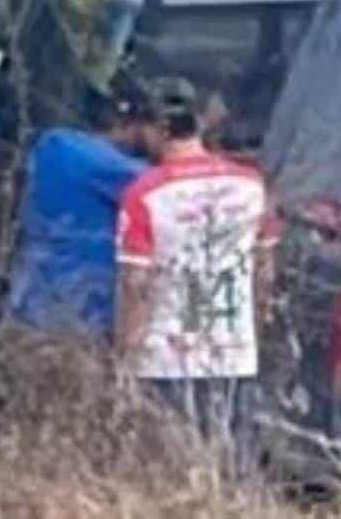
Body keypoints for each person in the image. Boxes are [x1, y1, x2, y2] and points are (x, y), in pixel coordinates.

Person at [114, 77, 278, 477]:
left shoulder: (144, 194)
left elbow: (136, 288)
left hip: (165, 361)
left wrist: (123, 359)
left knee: (168, 477)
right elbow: (265, 274)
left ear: (162, 130)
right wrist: (254, 334)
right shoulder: (252, 185)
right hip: (235, 356)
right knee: (232, 474)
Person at [7, 83, 148, 339]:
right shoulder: (89, 157)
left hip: (32, 304)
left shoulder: (52, 145)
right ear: (130, 124)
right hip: (78, 312)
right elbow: (160, 185)